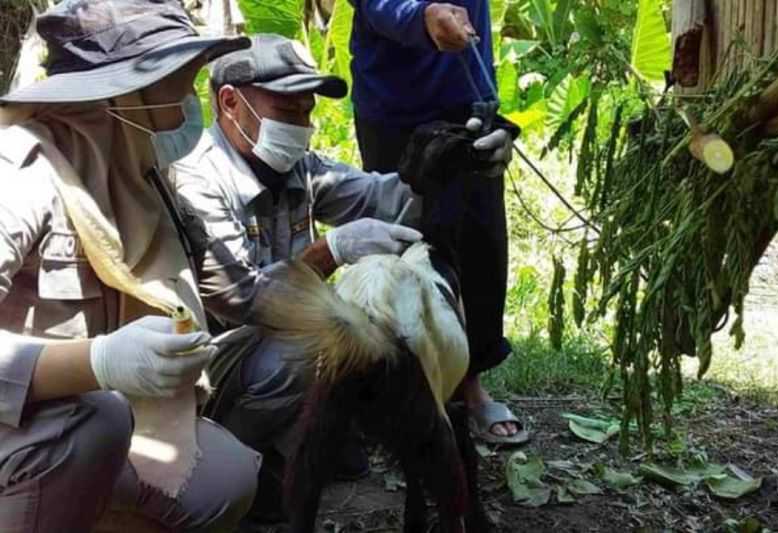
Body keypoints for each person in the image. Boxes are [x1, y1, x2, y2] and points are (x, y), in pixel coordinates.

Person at [172, 33, 513, 523]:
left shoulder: (296, 167)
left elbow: (382, 196)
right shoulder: (199, 181)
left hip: (277, 345)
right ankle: (226, 450)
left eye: (307, 112)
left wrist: (458, 161)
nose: (303, 125)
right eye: (289, 111)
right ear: (230, 102)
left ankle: (276, 452)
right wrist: (329, 250)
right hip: (216, 364)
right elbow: (237, 297)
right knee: (333, 344)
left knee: (348, 438)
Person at [0, 1, 261, 531]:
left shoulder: (142, 178)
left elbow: (230, 286)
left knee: (221, 475)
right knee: (91, 424)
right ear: (121, 93)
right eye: (179, 86)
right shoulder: (22, 173)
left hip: (90, 423)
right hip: (28, 425)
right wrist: (96, 362)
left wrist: (336, 253)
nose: (191, 105)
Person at [349, 0, 529, 446]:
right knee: (404, 246)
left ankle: (469, 385)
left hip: (466, 91)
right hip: (395, 106)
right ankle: (402, 386)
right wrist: (419, 16)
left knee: (480, 243)